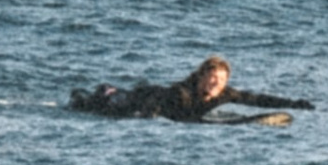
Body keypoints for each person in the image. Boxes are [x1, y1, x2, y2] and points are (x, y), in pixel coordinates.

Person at [70, 54, 310, 122]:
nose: (216, 84)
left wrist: (292, 104)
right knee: (98, 105)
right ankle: (88, 96)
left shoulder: (224, 93)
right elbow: (158, 108)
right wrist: (144, 116)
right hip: (137, 100)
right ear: (201, 77)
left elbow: (255, 99)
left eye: (221, 80)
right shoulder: (182, 93)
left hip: (156, 103)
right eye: (212, 78)